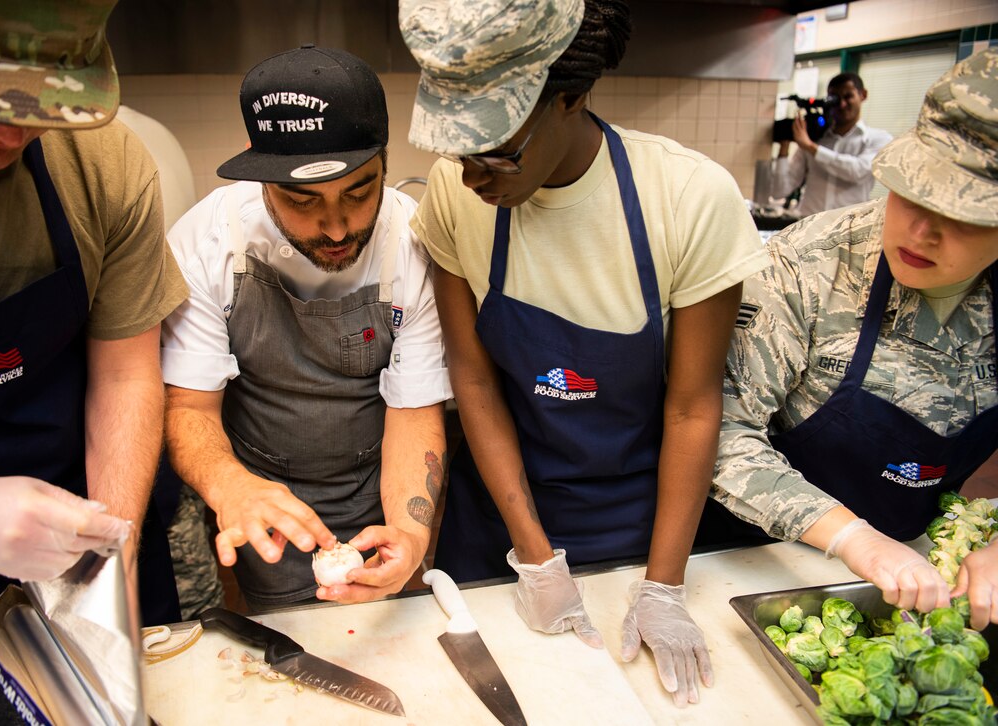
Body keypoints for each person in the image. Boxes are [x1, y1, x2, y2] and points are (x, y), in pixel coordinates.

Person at [400, 0, 769, 707]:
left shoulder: (687, 198)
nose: (474, 178)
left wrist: (662, 585)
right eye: (456, 151)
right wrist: (533, 557)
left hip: (643, 520)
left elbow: (693, 408)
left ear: (571, 98)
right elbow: (473, 378)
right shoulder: (456, 194)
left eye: (499, 151)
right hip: (502, 521)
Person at [0, 0, 188, 718]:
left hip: (81, 532)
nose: (14, 127)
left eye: (47, 100)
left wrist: (110, 558)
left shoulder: (103, 162)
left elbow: (125, 374)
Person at [709, 47, 998, 631]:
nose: (922, 230)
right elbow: (719, 430)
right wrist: (853, 538)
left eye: (966, 216)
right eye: (911, 193)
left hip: (919, 577)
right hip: (756, 565)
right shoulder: (814, 262)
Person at [162, 45, 451, 611]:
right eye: (303, 201)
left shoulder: (415, 245)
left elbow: (415, 413)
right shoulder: (208, 242)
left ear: (385, 163)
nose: (337, 226)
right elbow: (187, 408)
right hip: (259, 502)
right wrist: (229, 485)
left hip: (381, 486)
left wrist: (412, 536)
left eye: (360, 192)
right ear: (260, 173)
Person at [115, 104, 225, 619]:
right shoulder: (143, 139)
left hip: (152, 471)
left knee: (190, 629)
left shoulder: (127, 150)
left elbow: (129, 373)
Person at [770, 72, 893, 218]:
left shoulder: (878, 139)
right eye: (835, 98)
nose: (841, 104)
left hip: (849, 230)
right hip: (809, 227)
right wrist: (785, 145)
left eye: (848, 96)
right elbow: (780, 191)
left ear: (863, 95)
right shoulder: (814, 139)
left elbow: (857, 172)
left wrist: (811, 147)